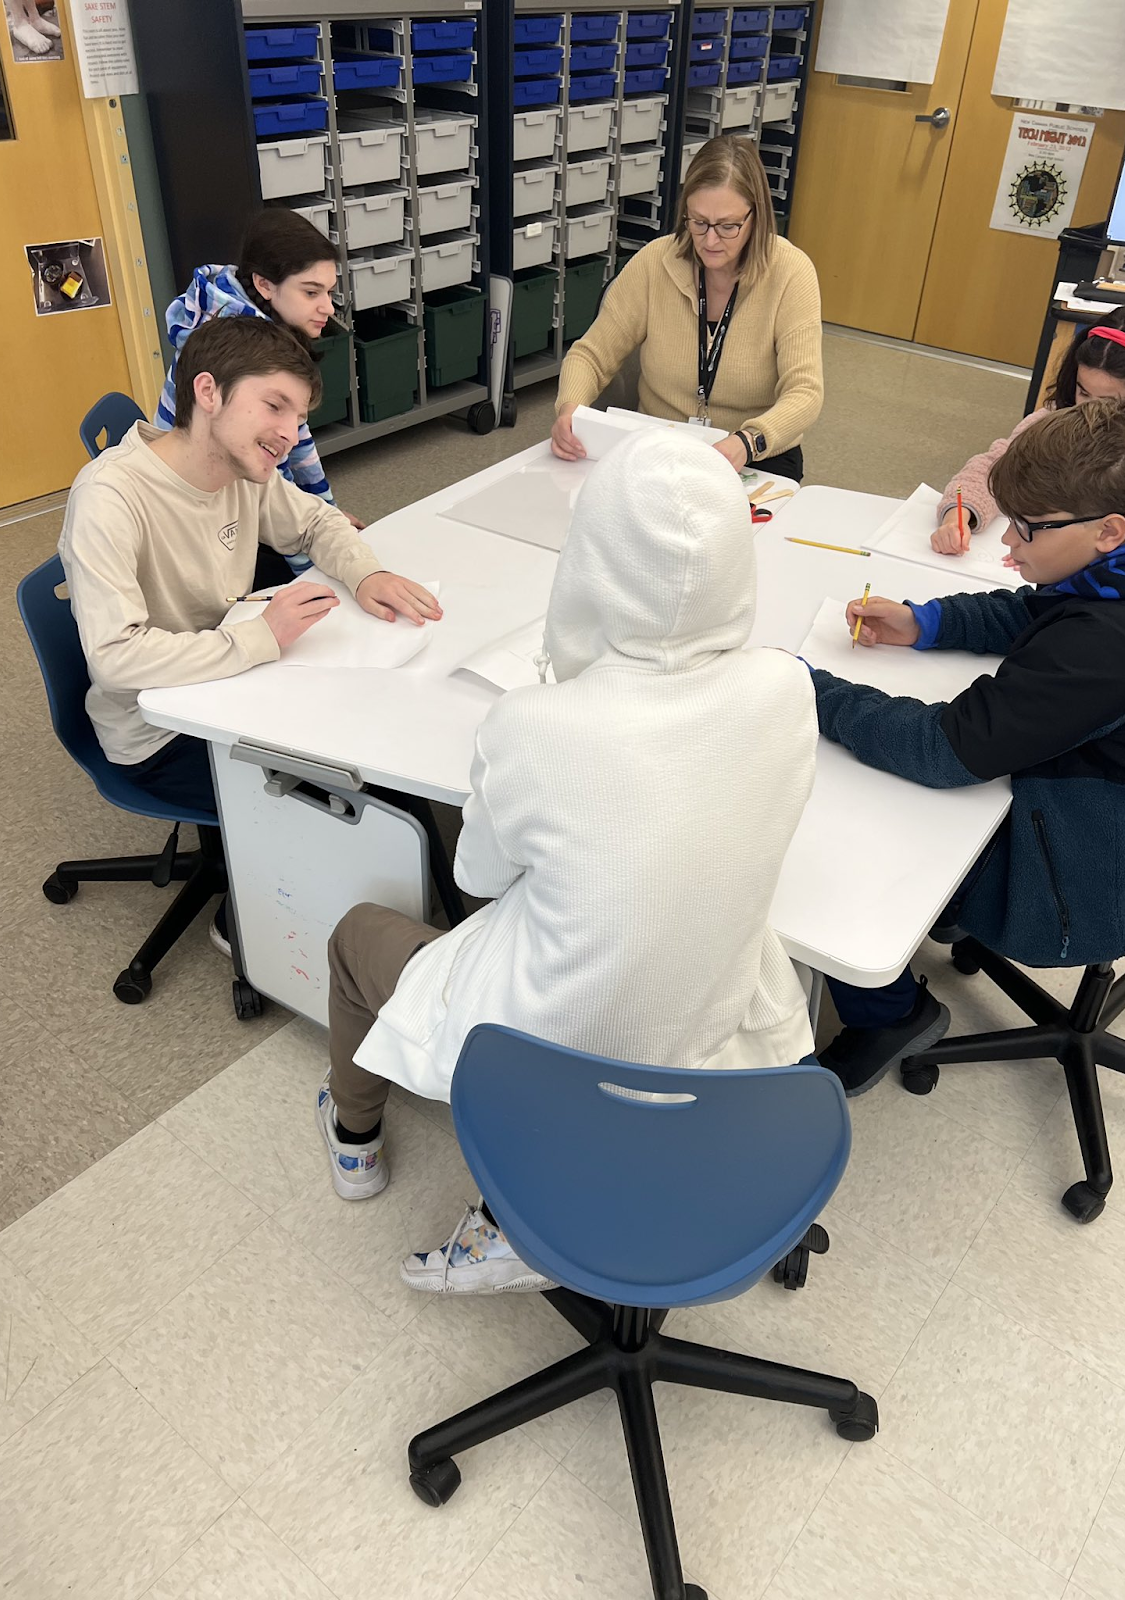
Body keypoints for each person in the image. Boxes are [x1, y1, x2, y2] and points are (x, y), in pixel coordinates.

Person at [317, 430, 820, 1295]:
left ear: (588, 566)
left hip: (551, 1068)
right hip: (713, 1047)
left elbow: (477, 878)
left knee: (358, 936)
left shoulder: (533, 725)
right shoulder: (785, 689)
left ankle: (356, 1141)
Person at [808, 396, 1125, 1098]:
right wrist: (925, 623)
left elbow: (943, 750)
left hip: (1100, 869)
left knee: (841, 822)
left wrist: (808, 689)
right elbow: (1042, 610)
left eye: (1029, 529)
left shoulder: (1114, 644)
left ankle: (891, 1014)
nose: (1008, 543)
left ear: (1108, 529)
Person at [59, 315, 441, 831]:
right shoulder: (109, 498)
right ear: (208, 392)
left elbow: (316, 522)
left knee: (380, 740)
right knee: (372, 801)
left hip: (234, 680)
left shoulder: (240, 466)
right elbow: (115, 659)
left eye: (298, 417)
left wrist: (365, 574)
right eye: (274, 406)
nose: (289, 434)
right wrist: (262, 637)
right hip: (160, 732)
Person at [550, 135, 822, 483]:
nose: (710, 240)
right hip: (660, 446)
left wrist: (748, 441)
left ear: (757, 218)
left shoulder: (791, 273)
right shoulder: (655, 262)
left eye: (728, 226)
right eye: (698, 222)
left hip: (754, 455)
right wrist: (570, 411)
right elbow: (590, 355)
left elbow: (805, 391)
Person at [155, 207, 365, 533]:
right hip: (197, 511)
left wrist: (325, 512)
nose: (327, 307)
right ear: (264, 284)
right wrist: (317, 529)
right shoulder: (246, 355)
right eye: (311, 292)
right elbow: (269, 480)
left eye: (329, 292)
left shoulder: (255, 319)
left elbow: (294, 440)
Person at [932, 302, 1125, 555]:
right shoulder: (1054, 422)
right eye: (1083, 392)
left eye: (1109, 403)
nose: (1089, 411)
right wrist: (960, 515)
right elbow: (996, 468)